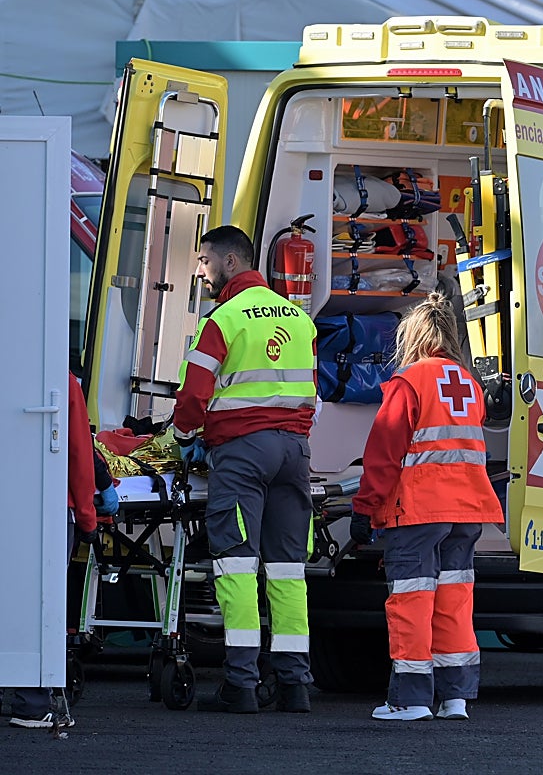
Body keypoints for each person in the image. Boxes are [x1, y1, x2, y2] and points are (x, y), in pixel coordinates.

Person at [172, 225, 318, 714]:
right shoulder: (299, 319)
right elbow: (310, 392)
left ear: (231, 262)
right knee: (287, 570)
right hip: (294, 453)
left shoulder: (223, 320)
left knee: (236, 565)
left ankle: (240, 684)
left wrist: (185, 439)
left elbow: (193, 396)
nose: (200, 270)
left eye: (205, 260)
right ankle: (295, 685)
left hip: (241, 454)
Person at [349, 293, 503, 722]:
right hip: (467, 510)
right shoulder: (467, 383)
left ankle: (410, 699)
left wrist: (365, 508)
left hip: (420, 511)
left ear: (411, 336)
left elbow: (384, 453)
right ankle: (456, 698)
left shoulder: (409, 382)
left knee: (412, 600)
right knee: (454, 601)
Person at [6, 372, 108, 729]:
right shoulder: (62, 381)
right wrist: (88, 518)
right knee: (40, 603)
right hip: (48, 508)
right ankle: (31, 703)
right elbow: (78, 452)